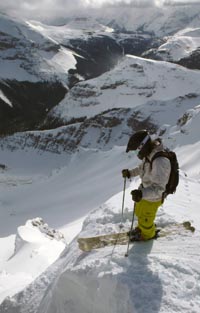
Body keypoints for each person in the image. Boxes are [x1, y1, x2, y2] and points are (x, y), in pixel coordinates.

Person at [122, 130, 171, 241]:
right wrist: (130, 173)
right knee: (139, 211)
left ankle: (148, 235)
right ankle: (141, 229)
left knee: (146, 219)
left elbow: (159, 189)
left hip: (154, 197)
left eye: (137, 150)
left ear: (142, 146)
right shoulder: (150, 154)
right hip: (146, 192)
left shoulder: (160, 161)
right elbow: (142, 169)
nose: (138, 153)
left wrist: (141, 194)